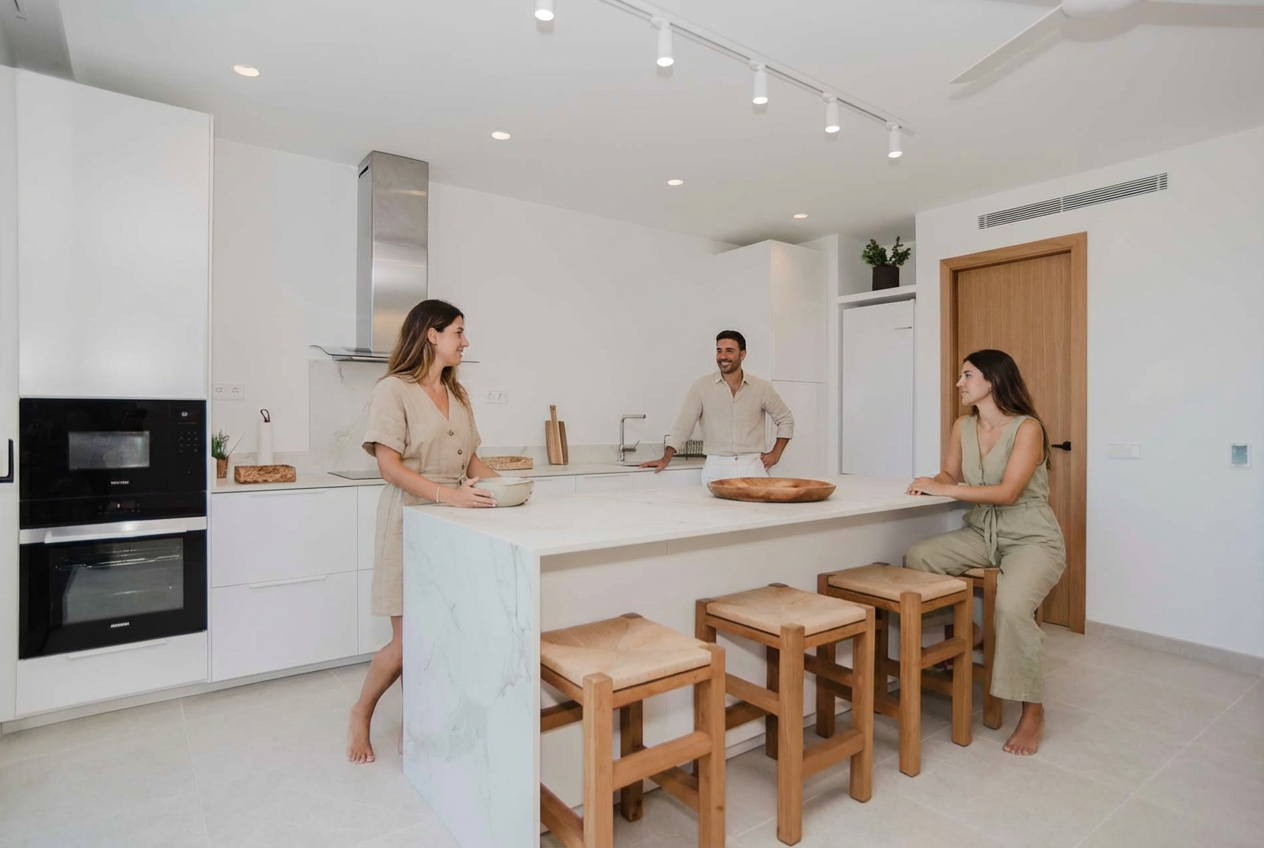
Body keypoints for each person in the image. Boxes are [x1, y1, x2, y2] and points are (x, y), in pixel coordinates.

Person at [347, 299, 500, 764]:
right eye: (458, 332)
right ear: (432, 336)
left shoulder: (459, 394)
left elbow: (471, 463)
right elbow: (388, 466)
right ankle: (360, 712)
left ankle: (418, 722)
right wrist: (446, 495)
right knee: (408, 641)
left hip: (456, 524)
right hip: (409, 521)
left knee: (445, 633)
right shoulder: (393, 390)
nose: (465, 341)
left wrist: (512, 492)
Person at [904, 349, 1066, 756]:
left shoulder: (1028, 428)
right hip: (982, 530)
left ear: (991, 381)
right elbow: (951, 474)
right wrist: (930, 481)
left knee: (1011, 608)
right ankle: (970, 633)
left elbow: (1009, 492)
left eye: (967, 375)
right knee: (920, 558)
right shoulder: (963, 425)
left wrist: (947, 489)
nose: (959, 383)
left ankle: (1032, 710)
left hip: (1031, 536)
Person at [640, 330, 795, 485]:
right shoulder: (702, 386)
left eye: (729, 351)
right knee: (716, 510)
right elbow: (683, 425)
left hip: (752, 466)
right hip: (716, 467)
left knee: (755, 510)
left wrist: (776, 454)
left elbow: (786, 419)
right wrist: (666, 457)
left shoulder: (761, 387)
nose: (723, 356)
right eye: (719, 351)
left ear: (742, 355)